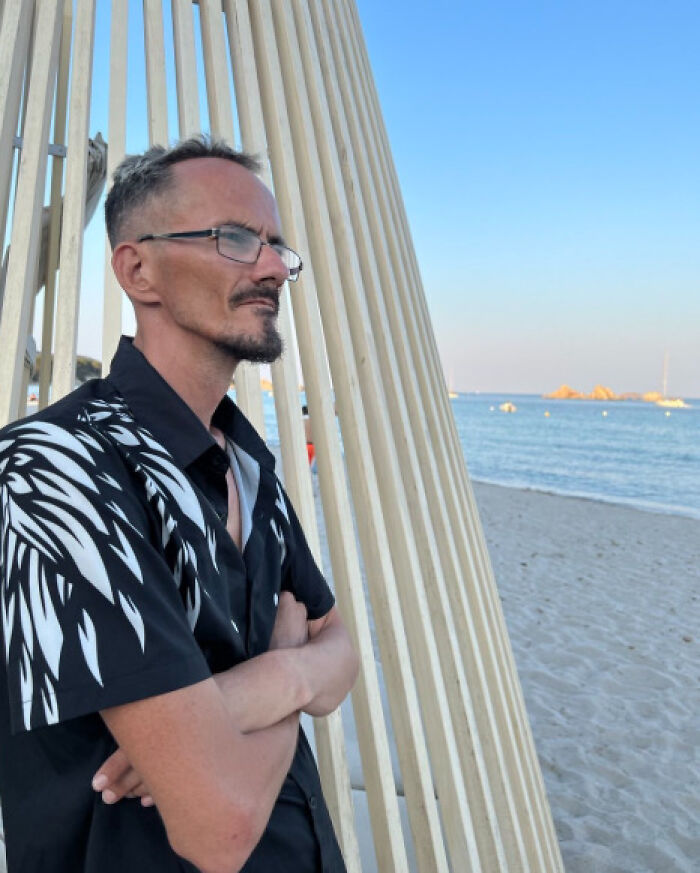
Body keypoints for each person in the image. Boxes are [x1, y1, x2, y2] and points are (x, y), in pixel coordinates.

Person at [0, 136, 359, 873]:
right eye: (234, 238)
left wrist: (260, 685)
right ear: (138, 269)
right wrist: (294, 666)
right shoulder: (53, 468)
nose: (270, 267)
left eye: (274, 245)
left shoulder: (241, 453)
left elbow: (343, 649)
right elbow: (217, 826)